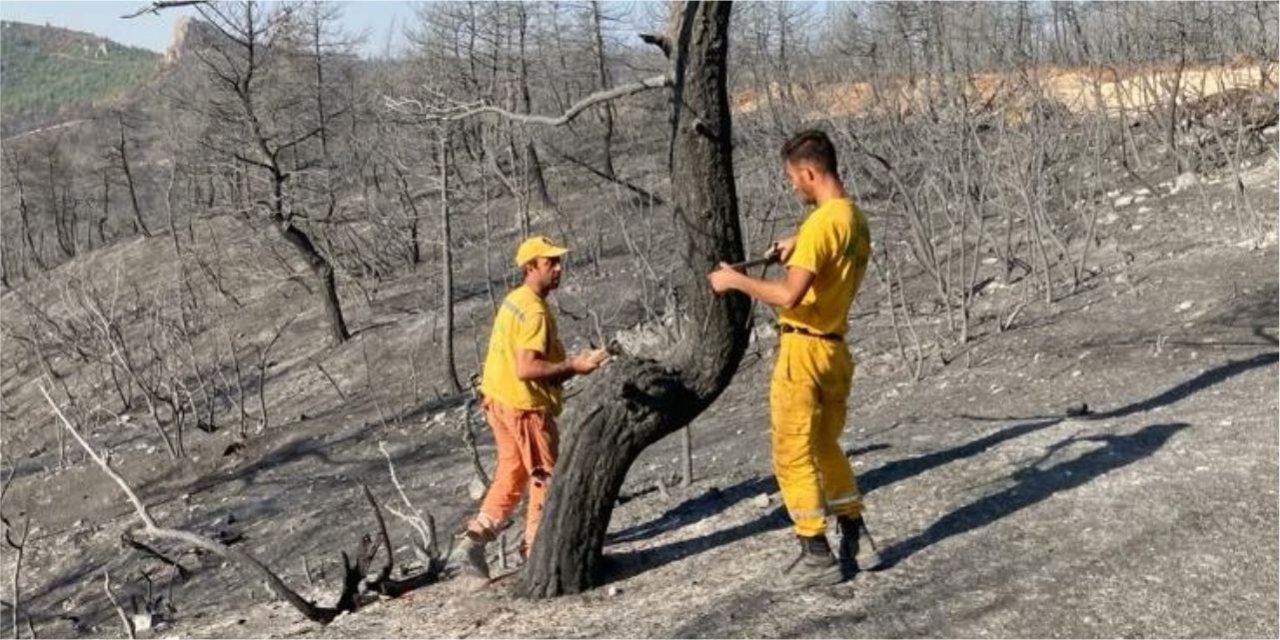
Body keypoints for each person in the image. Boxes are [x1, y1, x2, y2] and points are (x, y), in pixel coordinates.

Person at [707, 129, 883, 588]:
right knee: (826, 446)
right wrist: (796, 244)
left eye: (793, 178)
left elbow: (789, 293)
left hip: (803, 351)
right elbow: (824, 252)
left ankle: (815, 551)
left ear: (809, 172)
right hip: (835, 350)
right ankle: (856, 535)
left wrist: (734, 282)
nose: (792, 186)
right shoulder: (852, 219)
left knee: (792, 453)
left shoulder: (821, 226)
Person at [450, 236, 608, 581]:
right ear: (530, 268)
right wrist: (575, 366)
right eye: (550, 262)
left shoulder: (515, 301)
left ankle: (475, 538)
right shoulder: (534, 309)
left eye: (558, 261)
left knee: (512, 471)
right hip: (524, 407)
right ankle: (538, 549)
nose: (558, 268)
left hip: (499, 401)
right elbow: (527, 368)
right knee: (545, 476)